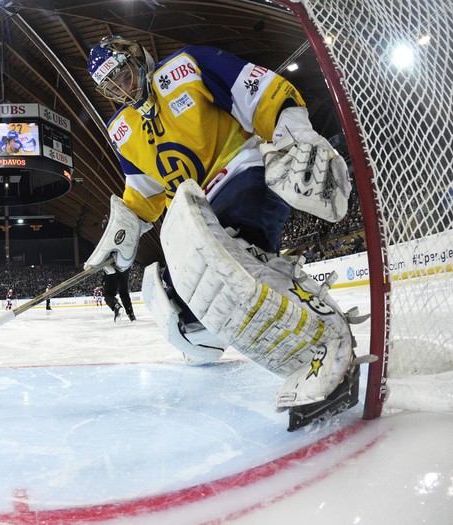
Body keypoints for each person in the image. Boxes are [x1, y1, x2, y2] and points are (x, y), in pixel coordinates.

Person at [84, 36, 360, 431]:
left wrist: (293, 131)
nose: (122, 88)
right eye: (111, 85)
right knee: (170, 299)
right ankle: (221, 332)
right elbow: (144, 194)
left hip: (245, 174)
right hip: (198, 214)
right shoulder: (121, 130)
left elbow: (261, 90)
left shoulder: (185, 67)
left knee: (235, 251)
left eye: (123, 74)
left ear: (137, 58)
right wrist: (118, 254)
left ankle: (329, 339)